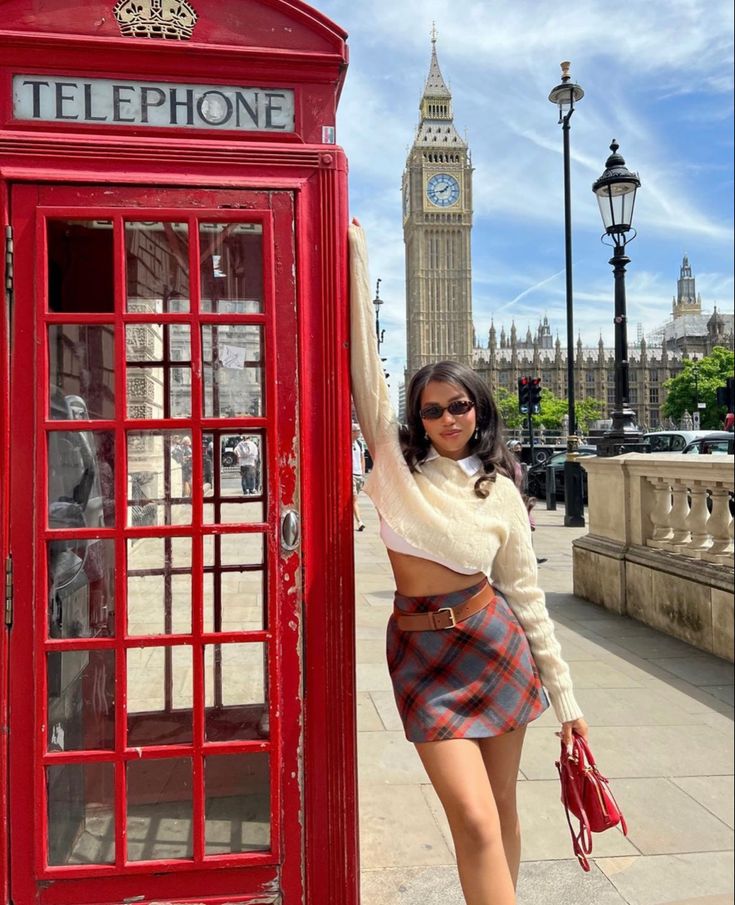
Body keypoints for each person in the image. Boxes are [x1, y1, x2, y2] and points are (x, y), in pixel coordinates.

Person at [349, 223, 587, 905]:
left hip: (495, 646)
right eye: (432, 409)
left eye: (459, 405)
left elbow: (527, 597)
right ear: (417, 419)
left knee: (503, 810)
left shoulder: (502, 488)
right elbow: (366, 383)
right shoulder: (396, 474)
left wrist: (565, 699)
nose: (448, 417)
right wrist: (356, 260)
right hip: (425, 658)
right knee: (475, 818)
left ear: (477, 408)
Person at [508, 440, 547, 565]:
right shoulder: (506, 464)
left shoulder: (518, 464)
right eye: (515, 448)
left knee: (528, 526)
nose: (518, 450)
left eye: (519, 448)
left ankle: (530, 556)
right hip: (510, 499)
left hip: (519, 498)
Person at [352, 423, 366, 531]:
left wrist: (363, 474)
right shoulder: (346, 442)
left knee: (352, 501)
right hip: (350, 475)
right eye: (357, 431)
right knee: (354, 499)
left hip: (359, 475)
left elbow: (362, 459)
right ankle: (360, 521)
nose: (358, 433)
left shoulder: (360, 444)